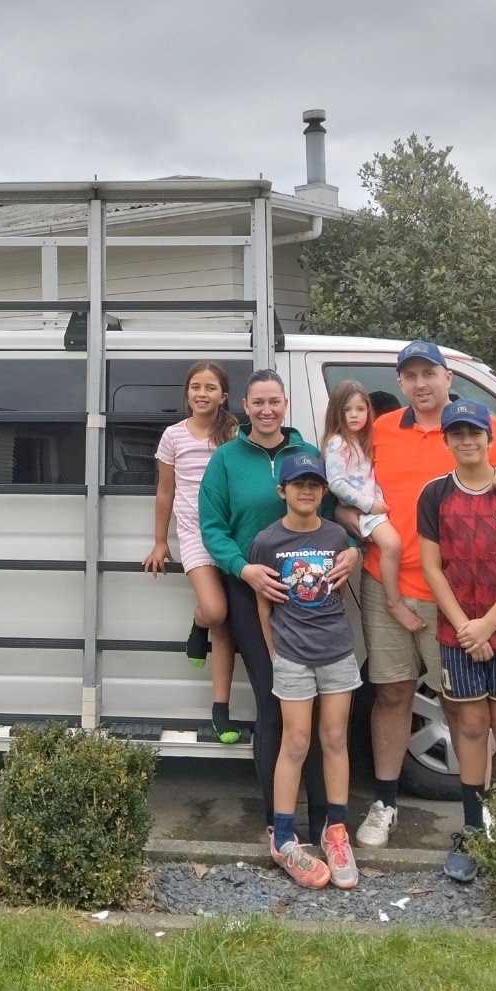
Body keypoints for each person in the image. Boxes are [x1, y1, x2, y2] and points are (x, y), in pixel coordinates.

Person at [334, 339, 496, 849]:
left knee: (460, 705)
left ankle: (487, 816)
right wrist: (362, 528)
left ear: (448, 377)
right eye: (409, 376)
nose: (420, 384)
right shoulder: (381, 430)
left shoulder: (480, 428)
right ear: (400, 385)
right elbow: (340, 493)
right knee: (391, 693)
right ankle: (385, 802)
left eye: (429, 373)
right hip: (387, 585)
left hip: (457, 595)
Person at [198, 368, 359, 844]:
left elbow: (334, 517)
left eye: (275, 402)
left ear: (285, 405)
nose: (266, 411)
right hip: (253, 594)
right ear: (244, 408)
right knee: (275, 702)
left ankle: (324, 824)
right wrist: (242, 568)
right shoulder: (225, 460)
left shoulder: (307, 456)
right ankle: (278, 822)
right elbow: (211, 527)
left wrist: (354, 550)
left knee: (316, 718)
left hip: (311, 600)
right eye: (257, 403)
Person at [418, 397, 496, 882]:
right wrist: (466, 629)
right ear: (446, 441)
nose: (467, 440)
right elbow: (432, 567)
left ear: (490, 438)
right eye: (457, 433)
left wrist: (487, 625)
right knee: (469, 727)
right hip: (457, 631)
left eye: (475, 432)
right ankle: (472, 830)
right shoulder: (434, 495)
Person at [251, 452, 362, 891]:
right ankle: (282, 837)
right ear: (282, 491)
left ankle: (336, 831)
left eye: (315, 484)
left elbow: (350, 569)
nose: (306, 491)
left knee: (334, 738)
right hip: (293, 656)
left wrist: (353, 550)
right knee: (295, 741)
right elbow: (264, 603)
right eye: (298, 484)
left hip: (336, 651)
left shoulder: (336, 535)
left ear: (323, 492)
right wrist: (276, 653)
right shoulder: (266, 541)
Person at [142, 360, 241, 743]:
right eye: (196, 386)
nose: (202, 393)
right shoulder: (173, 436)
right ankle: (198, 624)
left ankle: (221, 710)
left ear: (224, 396)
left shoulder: (232, 433)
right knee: (215, 611)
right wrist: (160, 541)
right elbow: (165, 491)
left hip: (230, 532)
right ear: (187, 393)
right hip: (194, 533)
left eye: (211, 387)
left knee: (226, 624)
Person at [321, 380, 422, 636]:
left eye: (360, 409)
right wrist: (369, 504)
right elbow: (336, 483)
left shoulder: (362, 440)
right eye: (347, 410)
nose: (355, 415)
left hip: (374, 506)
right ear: (336, 412)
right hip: (364, 510)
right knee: (392, 545)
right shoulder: (337, 443)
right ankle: (393, 602)